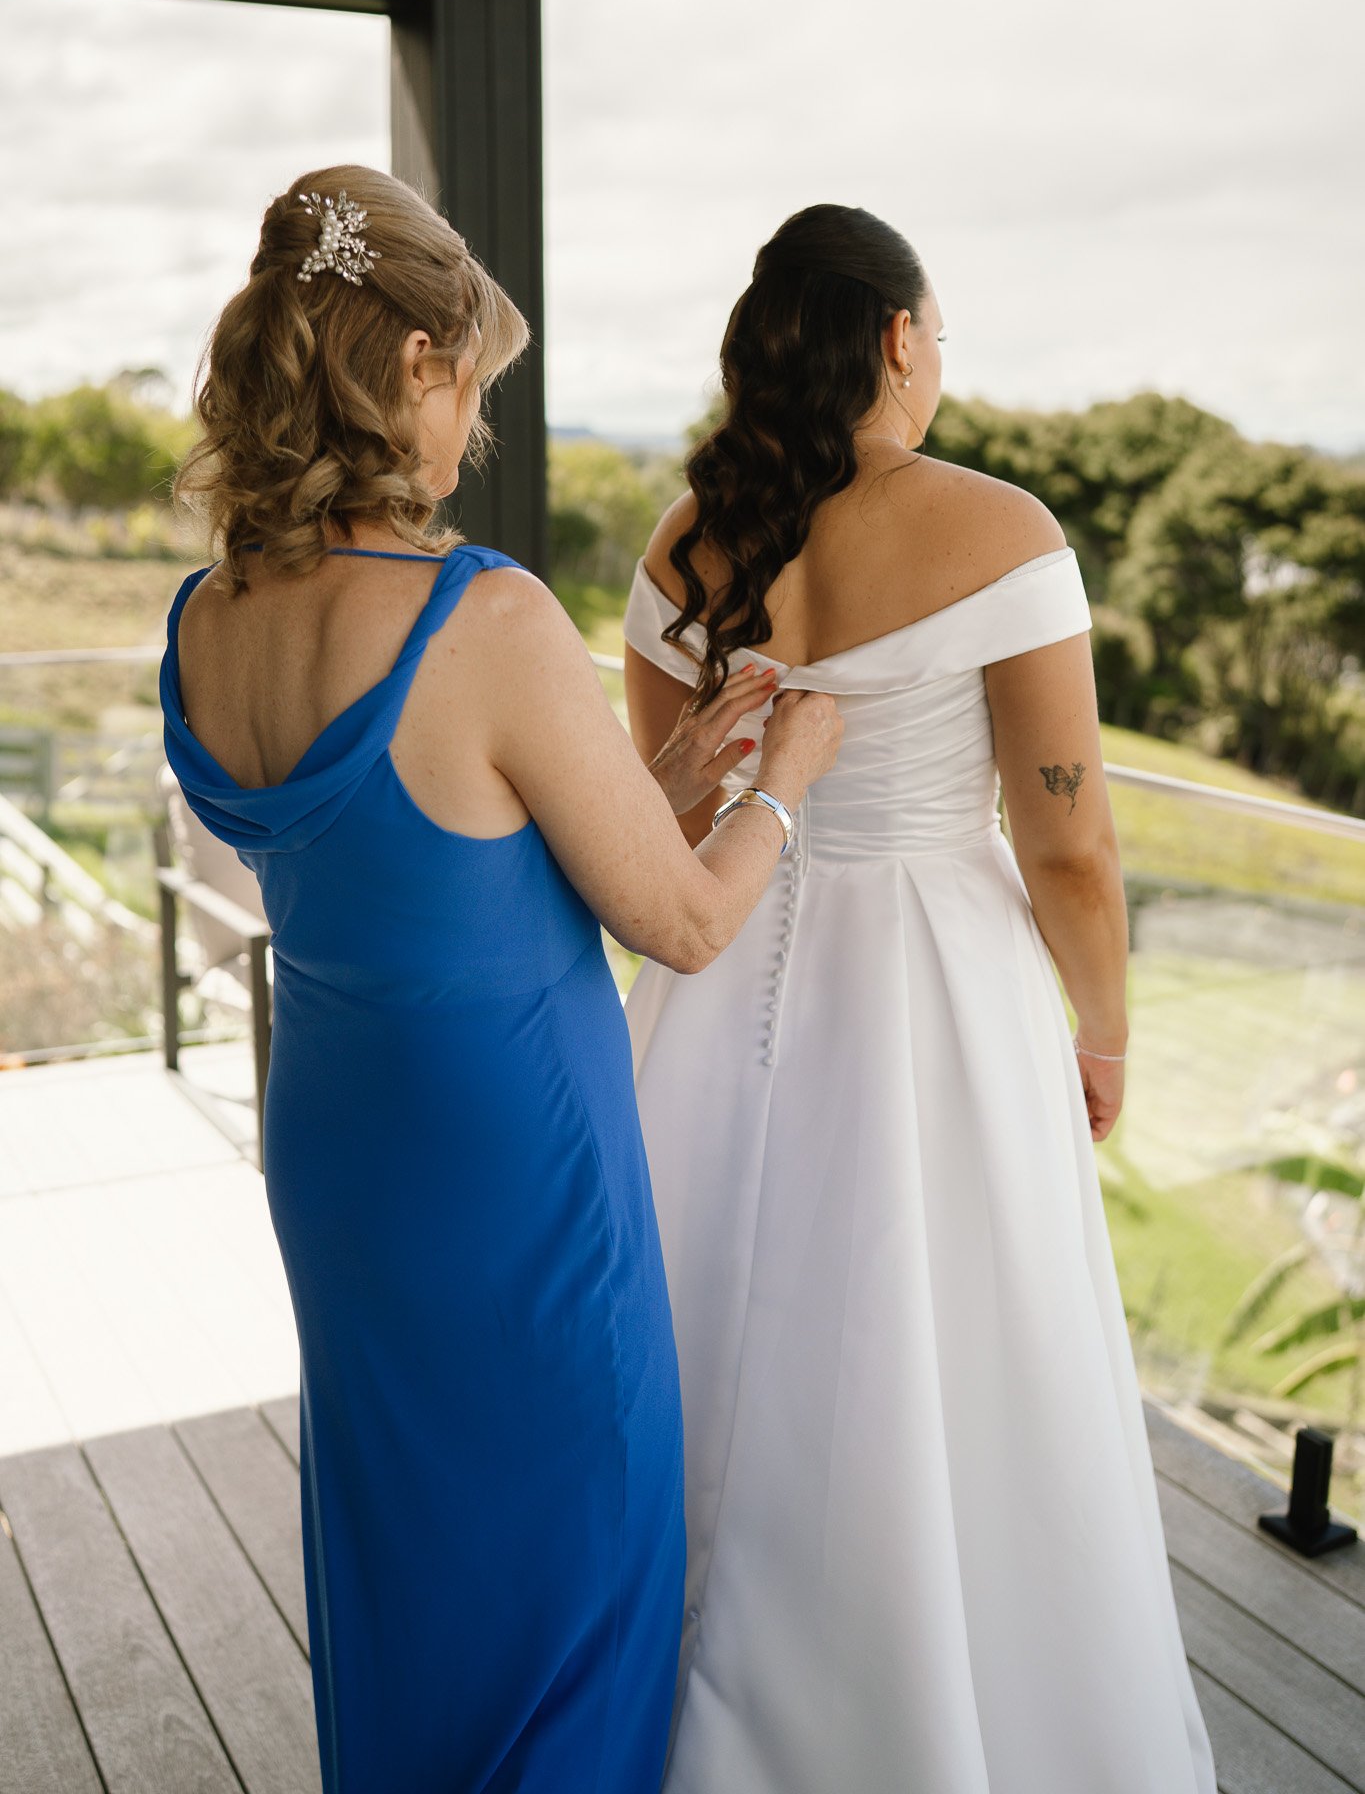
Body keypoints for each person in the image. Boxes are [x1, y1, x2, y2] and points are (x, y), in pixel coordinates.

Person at [159, 166, 841, 1794]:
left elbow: (444, 856)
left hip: (341, 1145)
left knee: (408, 1549)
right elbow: (676, 923)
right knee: (574, 1565)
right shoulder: (485, 613)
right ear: (409, 370)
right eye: (472, 389)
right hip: (511, 1165)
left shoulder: (206, 618)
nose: (472, 433)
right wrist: (785, 777)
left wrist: (675, 784)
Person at [621, 203, 1218, 1794]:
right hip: (940, 998)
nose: (941, 364)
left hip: (718, 977)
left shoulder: (686, 540)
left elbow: (656, 821)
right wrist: (1100, 1029)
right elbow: (1070, 838)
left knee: (704, 1344)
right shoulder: (999, 530)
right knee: (950, 1358)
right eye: (938, 334)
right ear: (895, 338)